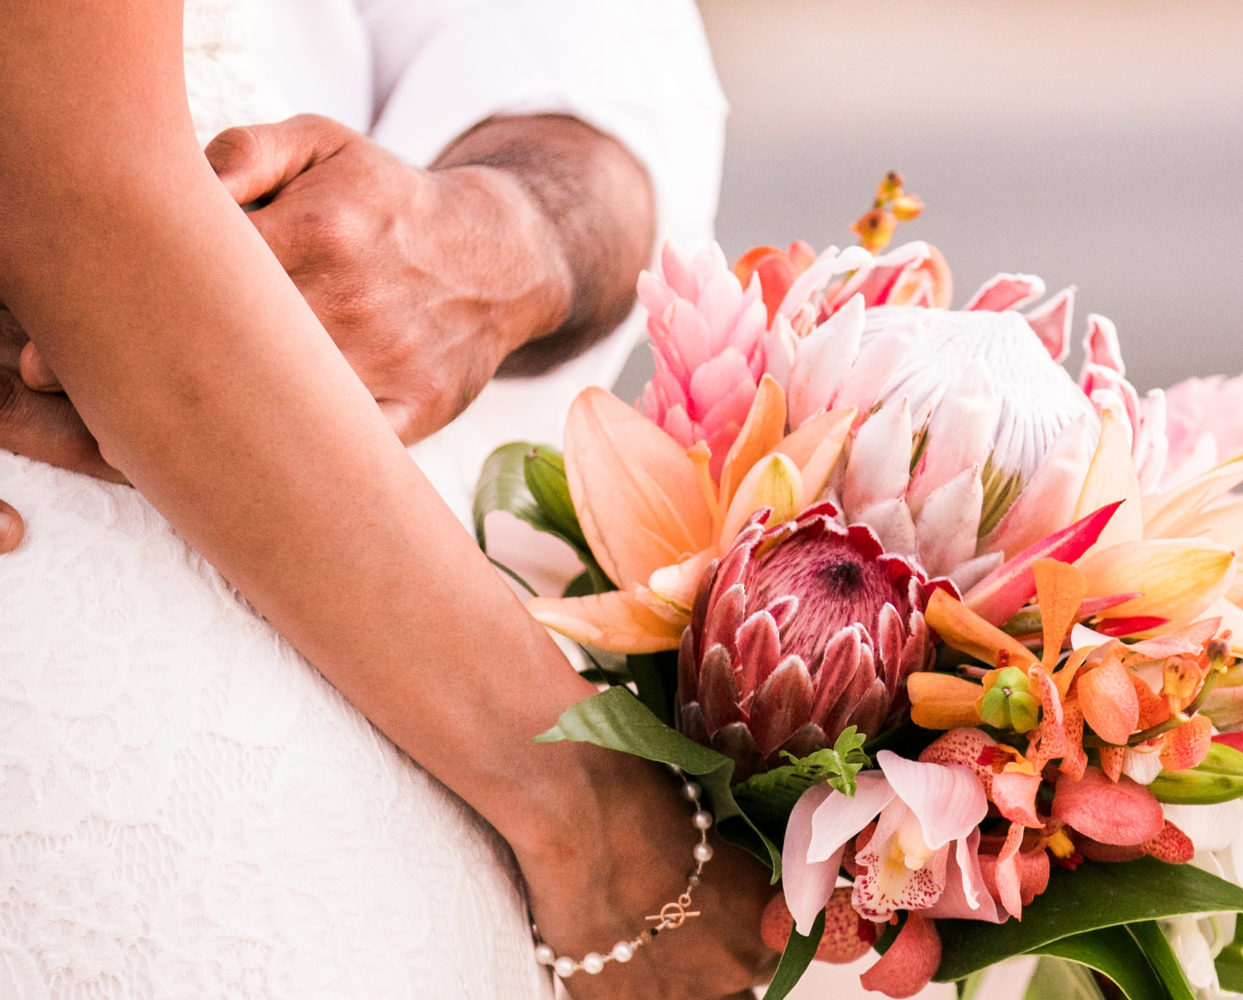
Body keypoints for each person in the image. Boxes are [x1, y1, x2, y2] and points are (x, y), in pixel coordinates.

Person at [0, 1, 768, 997]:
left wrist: (506, 230)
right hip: (113, 692)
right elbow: (90, 193)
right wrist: (585, 799)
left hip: (386, 635)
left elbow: (595, 39)